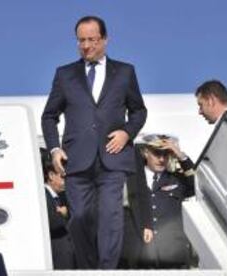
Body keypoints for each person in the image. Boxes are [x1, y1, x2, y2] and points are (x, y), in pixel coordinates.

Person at [41, 15, 147, 269]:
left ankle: (106, 270)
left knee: (111, 216)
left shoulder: (124, 72)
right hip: (76, 160)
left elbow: (138, 111)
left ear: (105, 40)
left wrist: (126, 133)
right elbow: (49, 115)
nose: (86, 45)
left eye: (91, 39)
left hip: (113, 158)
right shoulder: (65, 75)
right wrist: (55, 148)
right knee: (79, 218)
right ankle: (90, 269)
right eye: (81, 41)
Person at [130, 134, 195, 268]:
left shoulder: (177, 180)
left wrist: (180, 155)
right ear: (145, 152)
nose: (161, 159)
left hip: (174, 255)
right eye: (157, 153)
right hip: (143, 255)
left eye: (166, 154)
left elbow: (198, 184)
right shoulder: (132, 181)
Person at [40, 148, 76, 269]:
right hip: (56, 259)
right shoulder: (42, 196)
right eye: (63, 176)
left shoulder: (61, 196)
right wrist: (64, 215)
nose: (66, 181)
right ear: (51, 175)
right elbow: (50, 223)